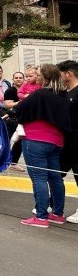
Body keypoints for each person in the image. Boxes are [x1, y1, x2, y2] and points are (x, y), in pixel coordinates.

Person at [14, 64, 70, 227]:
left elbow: (20, 109)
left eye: (38, 75)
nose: (36, 77)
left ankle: (41, 217)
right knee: (55, 178)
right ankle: (58, 214)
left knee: (39, 178)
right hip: (57, 141)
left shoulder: (39, 94)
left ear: (45, 77)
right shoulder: (63, 95)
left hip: (35, 139)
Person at [57, 60, 78, 223]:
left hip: (76, 143)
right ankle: (53, 207)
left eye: (61, 74)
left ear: (68, 74)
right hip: (65, 143)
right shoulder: (64, 93)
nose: (59, 77)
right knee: (56, 174)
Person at [3, 71, 26, 171]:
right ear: (13, 79)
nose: (18, 79)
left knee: (19, 143)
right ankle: (1, 162)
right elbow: (8, 104)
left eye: (20, 77)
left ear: (23, 79)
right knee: (6, 141)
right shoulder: (10, 91)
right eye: (16, 77)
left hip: (23, 119)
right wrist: (22, 102)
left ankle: (13, 162)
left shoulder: (26, 90)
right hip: (12, 120)